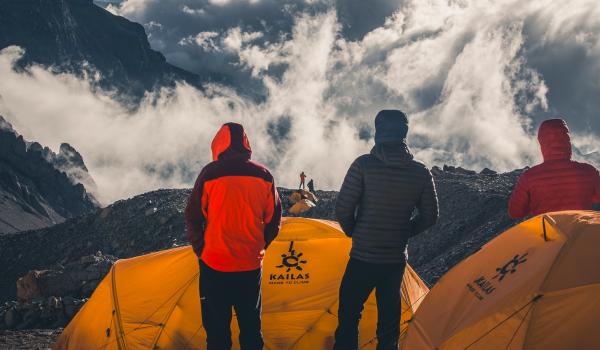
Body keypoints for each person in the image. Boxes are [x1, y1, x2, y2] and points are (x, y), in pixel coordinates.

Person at [334, 110, 439, 350]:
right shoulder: (420, 172)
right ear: (404, 133)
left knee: (349, 314)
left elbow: (343, 208)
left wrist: (354, 232)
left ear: (378, 132)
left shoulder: (363, 165)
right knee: (389, 320)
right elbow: (431, 216)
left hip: (362, 256)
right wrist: (404, 232)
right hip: (394, 259)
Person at [185, 122, 282, 350]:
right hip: (249, 264)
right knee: (251, 328)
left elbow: (193, 215)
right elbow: (274, 220)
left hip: (215, 264)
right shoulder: (264, 175)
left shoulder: (210, 173)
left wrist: (201, 249)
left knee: (217, 332)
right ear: (246, 144)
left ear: (219, 144)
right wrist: (259, 245)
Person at [509, 118, 600, 218]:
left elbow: (515, 212)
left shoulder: (528, 177)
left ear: (542, 143)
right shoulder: (589, 171)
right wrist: (584, 194)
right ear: (567, 140)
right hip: (581, 231)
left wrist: (535, 202)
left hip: (546, 232)